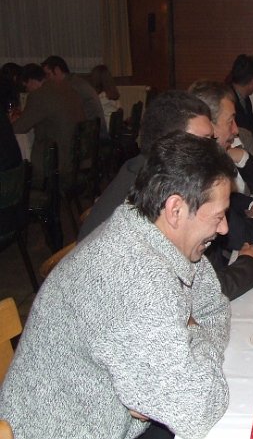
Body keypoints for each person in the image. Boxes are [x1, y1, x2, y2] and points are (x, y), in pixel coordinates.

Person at [0, 132, 234, 438]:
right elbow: (197, 409)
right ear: (175, 210)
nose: (224, 228)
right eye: (218, 216)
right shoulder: (134, 275)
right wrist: (193, 336)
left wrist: (188, 348)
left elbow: (215, 310)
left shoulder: (164, 236)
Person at [78, 90, 253, 301]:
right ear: (171, 144)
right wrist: (249, 267)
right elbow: (182, 297)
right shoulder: (151, 196)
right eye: (204, 141)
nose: (213, 147)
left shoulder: (149, 172)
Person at [189, 79, 253, 195]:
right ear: (207, 124)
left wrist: (242, 157)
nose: (236, 130)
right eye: (230, 121)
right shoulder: (191, 160)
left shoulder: (243, 137)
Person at [12, 63, 85, 187]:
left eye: (26, 87)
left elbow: (20, 127)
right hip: (78, 154)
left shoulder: (39, 96)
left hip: (57, 159)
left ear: (31, 81)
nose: (27, 91)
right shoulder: (68, 88)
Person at [41, 55, 108, 139]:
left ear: (57, 70)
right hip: (95, 132)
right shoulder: (75, 81)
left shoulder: (71, 86)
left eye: (48, 75)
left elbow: (65, 115)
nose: (47, 79)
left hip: (91, 136)